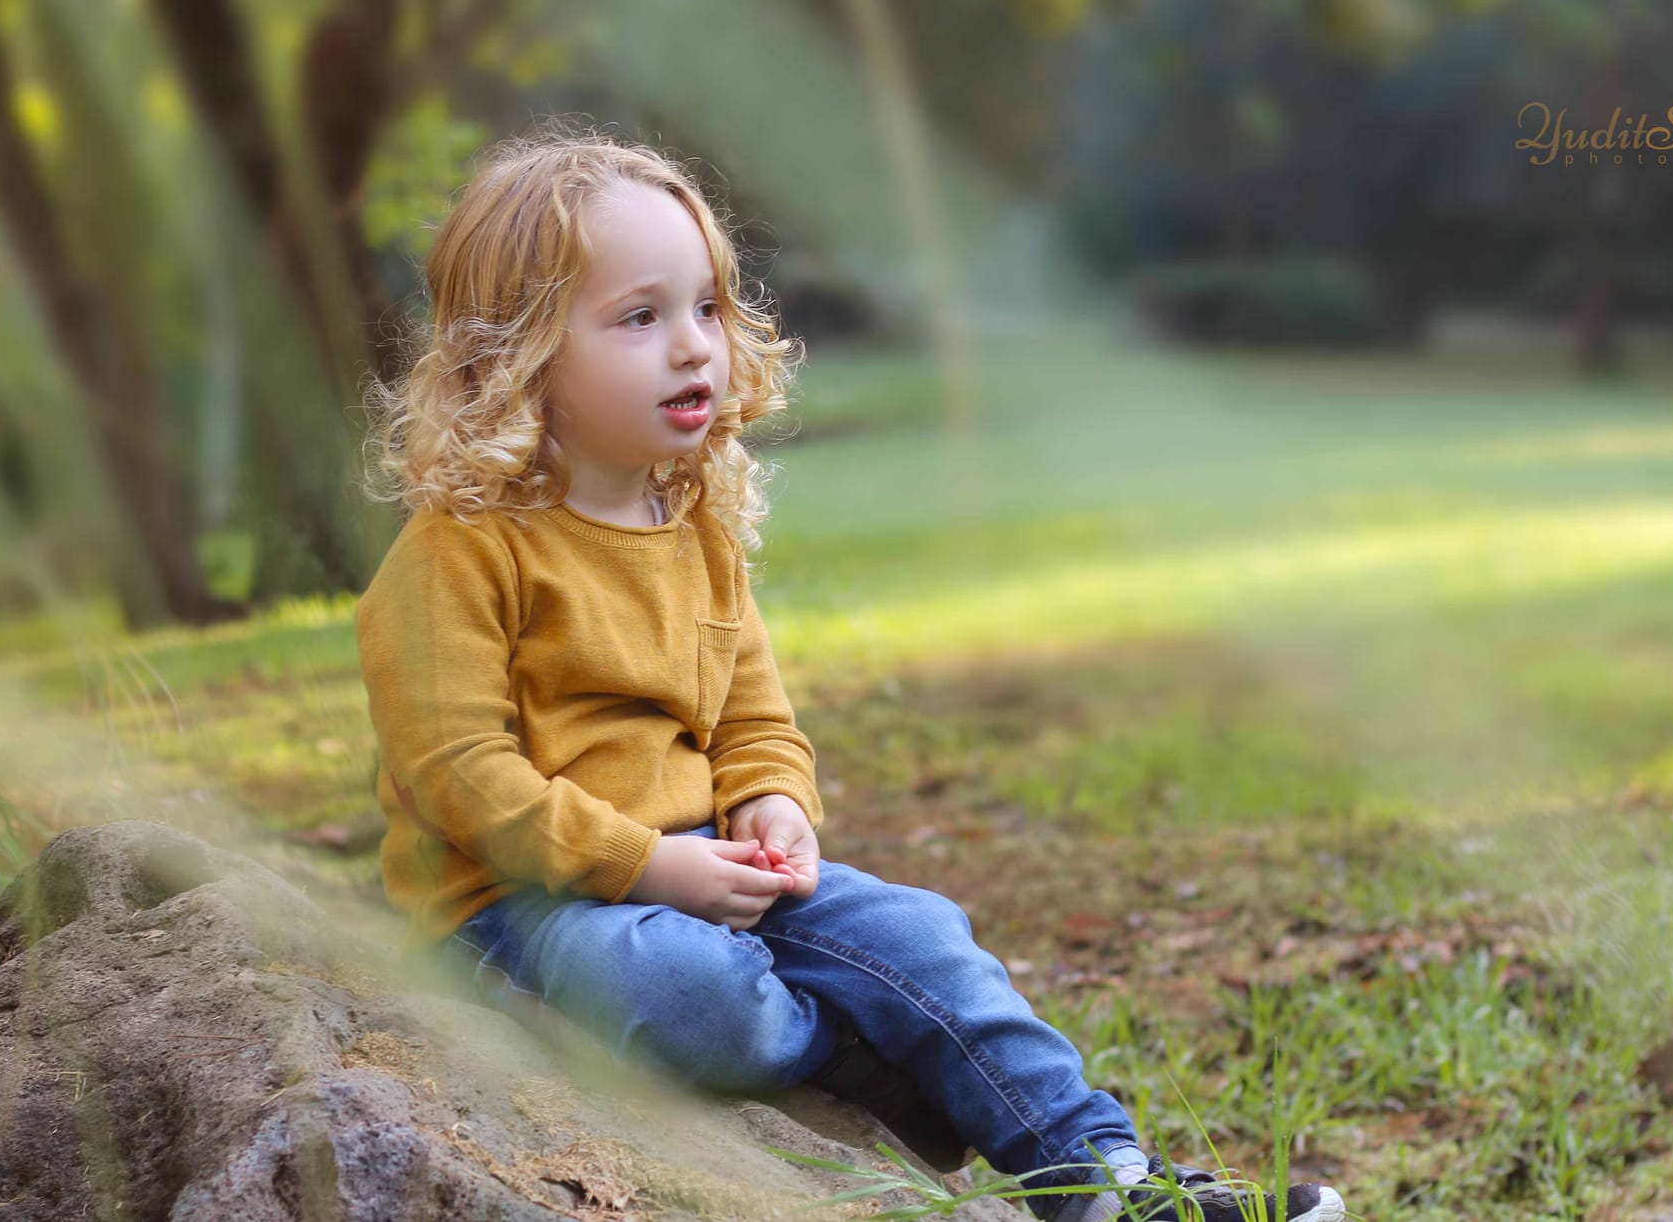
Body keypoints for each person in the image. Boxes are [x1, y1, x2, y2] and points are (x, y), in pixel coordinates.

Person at [354, 121, 1347, 1222]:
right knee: (684, 989)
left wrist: (771, 801)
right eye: (640, 317)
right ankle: (866, 1055)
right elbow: (459, 774)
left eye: (707, 308)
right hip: (521, 901)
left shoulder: (689, 523)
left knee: (924, 936)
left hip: (706, 862)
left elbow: (751, 716)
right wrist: (647, 865)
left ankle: (1105, 1178)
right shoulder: (459, 552)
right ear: (518, 354)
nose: (692, 347)